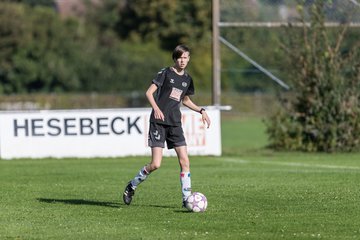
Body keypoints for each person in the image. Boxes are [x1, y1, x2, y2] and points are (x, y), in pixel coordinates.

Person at [123, 44, 211, 207]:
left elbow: (185, 100)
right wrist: (156, 108)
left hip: (175, 123)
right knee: (156, 164)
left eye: (185, 57)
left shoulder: (187, 79)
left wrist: (201, 110)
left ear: (189, 59)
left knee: (185, 161)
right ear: (175, 58)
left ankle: (186, 199)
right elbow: (149, 92)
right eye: (180, 57)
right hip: (158, 123)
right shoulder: (165, 73)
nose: (183, 61)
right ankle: (132, 185)